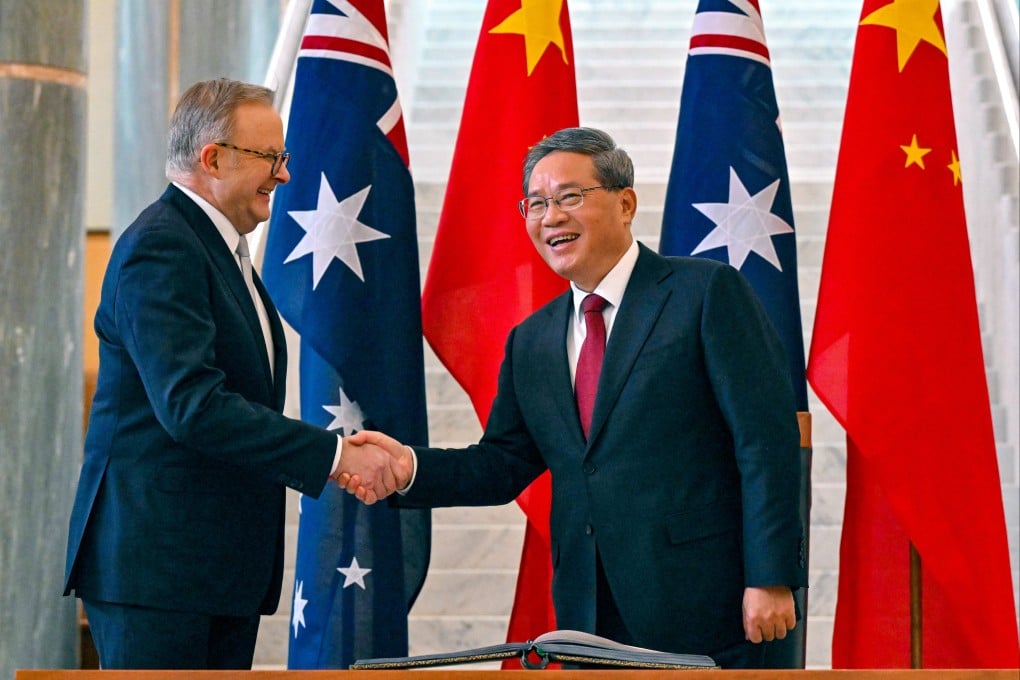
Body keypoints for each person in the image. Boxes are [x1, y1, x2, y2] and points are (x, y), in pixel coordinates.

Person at [346, 127, 806, 668]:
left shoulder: (704, 293)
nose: (551, 217)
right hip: (588, 614)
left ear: (625, 203)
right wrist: (409, 468)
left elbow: (765, 439)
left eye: (569, 197)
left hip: (708, 607)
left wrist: (770, 577)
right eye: (535, 204)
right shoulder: (533, 340)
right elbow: (502, 463)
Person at [64, 78, 405, 670]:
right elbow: (193, 405)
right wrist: (334, 455)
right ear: (213, 158)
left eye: (284, 158)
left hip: (211, 572)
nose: (284, 175)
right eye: (270, 158)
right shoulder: (163, 246)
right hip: (160, 574)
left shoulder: (217, 249)